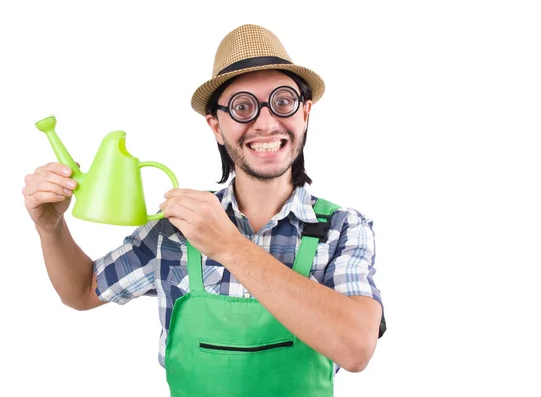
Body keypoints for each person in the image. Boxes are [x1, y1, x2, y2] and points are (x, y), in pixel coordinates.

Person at [23, 24, 386, 396]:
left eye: (282, 102)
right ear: (216, 125)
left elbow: (357, 348)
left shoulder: (341, 228)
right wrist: (51, 230)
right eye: (243, 107)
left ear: (305, 113)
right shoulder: (176, 228)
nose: (265, 122)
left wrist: (229, 246)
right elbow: (82, 291)